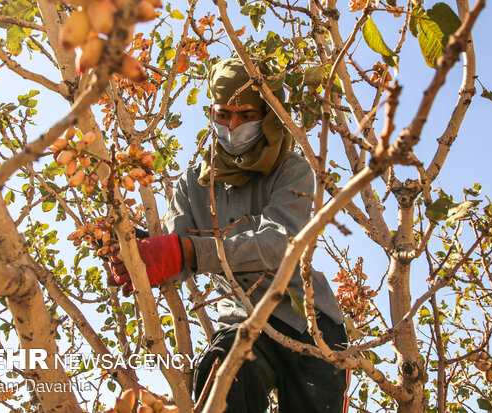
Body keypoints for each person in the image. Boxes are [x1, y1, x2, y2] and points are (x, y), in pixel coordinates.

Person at [109, 58, 350, 413]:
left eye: (246, 115)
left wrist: (187, 251)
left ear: (266, 115)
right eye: (223, 114)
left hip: (307, 321)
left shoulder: (292, 169)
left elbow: (279, 244)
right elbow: (181, 259)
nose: (232, 125)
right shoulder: (193, 184)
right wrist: (138, 252)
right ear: (211, 112)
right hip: (240, 318)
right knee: (220, 375)